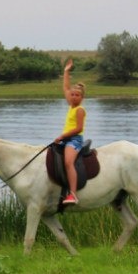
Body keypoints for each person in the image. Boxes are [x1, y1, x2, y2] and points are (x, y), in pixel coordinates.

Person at [55, 59, 86, 205]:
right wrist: (66, 71)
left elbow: (78, 129)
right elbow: (66, 87)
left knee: (68, 162)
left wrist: (62, 136)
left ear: (82, 97)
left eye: (76, 95)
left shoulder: (79, 110)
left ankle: (73, 194)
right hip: (66, 138)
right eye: (72, 95)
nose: (73, 97)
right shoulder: (71, 106)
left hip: (74, 139)